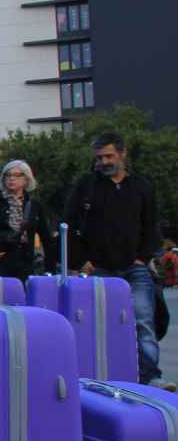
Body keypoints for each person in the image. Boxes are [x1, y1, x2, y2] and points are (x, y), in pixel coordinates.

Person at [64, 132, 170, 390]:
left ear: (122, 154)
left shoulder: (142, 187)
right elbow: (68, 224)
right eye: (99, 157)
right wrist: (80, 261)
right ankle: (103, 376)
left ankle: (150, 376)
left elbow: (150, 225)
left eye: (109, 156)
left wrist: (142, 258)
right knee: (100, 324)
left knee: (143, 320)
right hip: (98, 269)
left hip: (135, 268)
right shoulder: (86, 187)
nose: (104, 161)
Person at [0, 159, 55, 282]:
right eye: (7, 175)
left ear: (26, 179)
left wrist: (49, 271)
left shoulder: (34, 206)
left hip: (25, 265)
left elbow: (46, 238)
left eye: (17, 175)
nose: (11, 179)